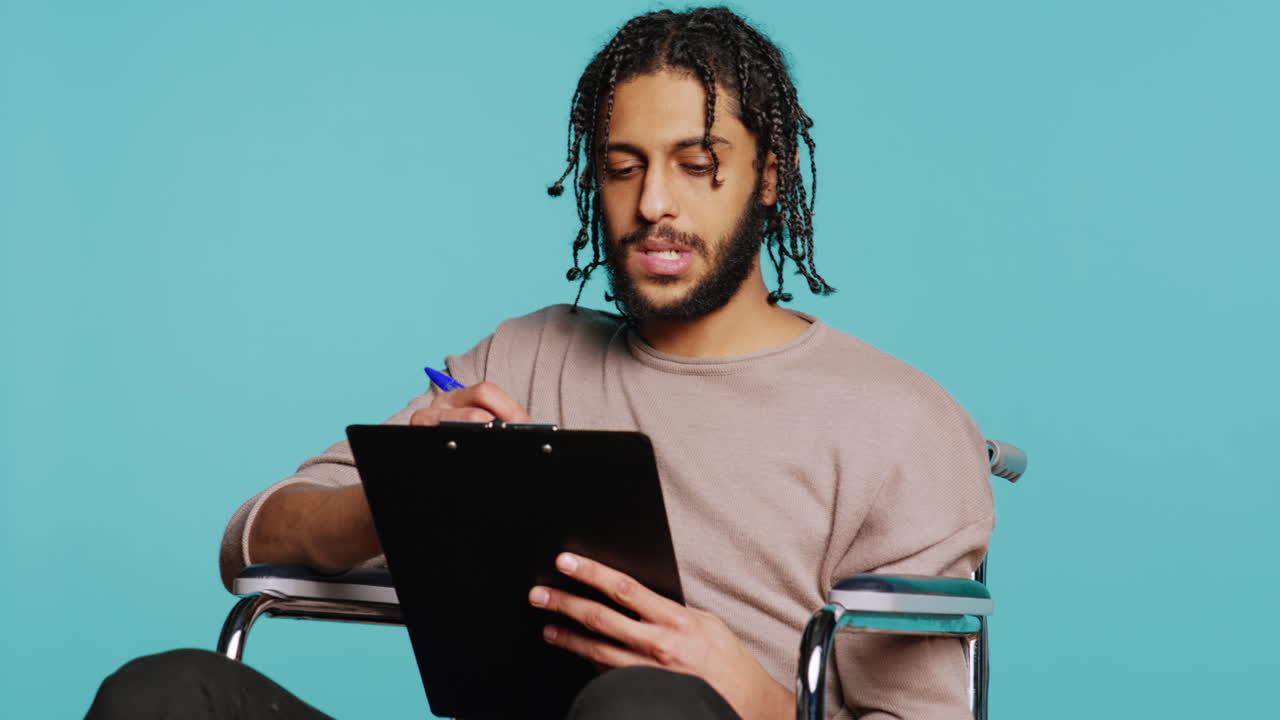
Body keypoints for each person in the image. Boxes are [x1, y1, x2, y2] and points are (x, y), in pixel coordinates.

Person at [87, 7, 994, 720]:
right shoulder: (524, 355)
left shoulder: (899, 420)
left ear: (770, 175)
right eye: (623, 166)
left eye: (696, 163)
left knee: (642, 706)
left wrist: (753, 698)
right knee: (162, 694)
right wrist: (406, 493)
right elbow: (249, 544)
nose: (653, 204)